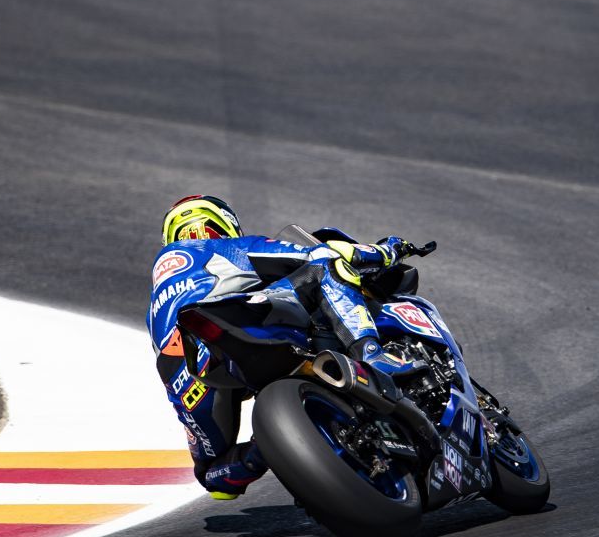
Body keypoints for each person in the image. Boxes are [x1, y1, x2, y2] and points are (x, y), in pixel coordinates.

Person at [146, 194, 417, 499]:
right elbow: (320, 254)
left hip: (189, 369)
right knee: (326, 266)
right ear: (224, 225)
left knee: (212, 473)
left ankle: (258, 453)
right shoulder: (222, 247)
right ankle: (372, 355)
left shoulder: (155, 310)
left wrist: (269, 447)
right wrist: (387, 251)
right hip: (244, 319)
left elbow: (217, 486)